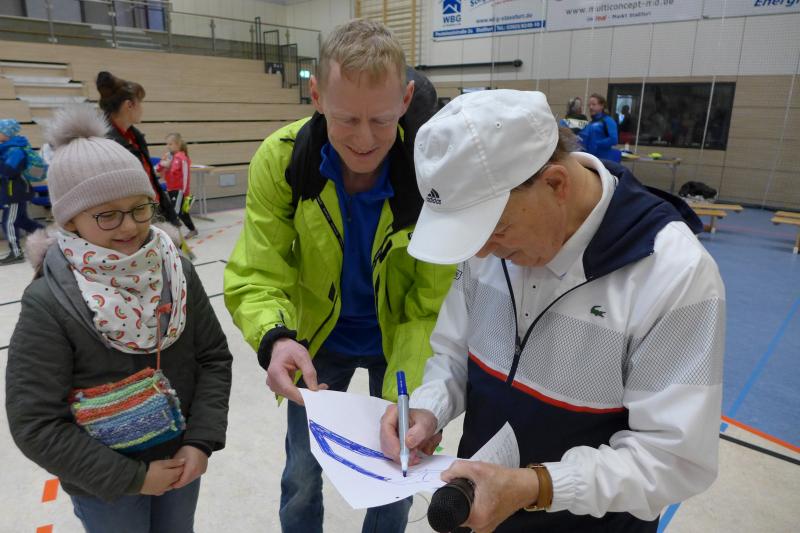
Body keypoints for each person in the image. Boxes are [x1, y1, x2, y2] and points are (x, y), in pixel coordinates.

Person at [379, 90, 725, 532]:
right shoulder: (494, 246)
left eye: (494, 229)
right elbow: (453, 352)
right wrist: (429, 408)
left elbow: (674, 459)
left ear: (556, 184)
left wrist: (539, 486)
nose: (481, 252)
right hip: (477, 512)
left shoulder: (674, 274)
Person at [223, 19, 454, 533]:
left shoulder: (431, 177)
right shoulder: (282, 161)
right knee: (302, 474)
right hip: (316, 342)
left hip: (400, 339)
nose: (365, 139)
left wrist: (413, 396)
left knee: (396, 468)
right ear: (317, 97)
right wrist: (275, 337)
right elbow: (259, 270)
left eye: (381, 119)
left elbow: (429, 303)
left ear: (406, 99)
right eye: (347, 118)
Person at [5, 105, 233, 533]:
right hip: (105, 487)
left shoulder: (176, 271)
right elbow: (35, 422)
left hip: (180, 461)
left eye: (140, 208)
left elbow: (213, 358)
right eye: (107, 214)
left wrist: (201, 441)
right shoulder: (49, 301)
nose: (129, 226)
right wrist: (133, 478)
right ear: (70, 219)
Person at [96, 71, 181, 229]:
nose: (142, 108)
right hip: (134, 221)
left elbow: (151, 181)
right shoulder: (105, 143)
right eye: (140, 103)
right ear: (129, 105)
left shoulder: (135, 137)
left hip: (153, 210)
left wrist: (170, 216)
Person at [0, 118, 44, 265]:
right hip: (13, 191)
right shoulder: (6, 148)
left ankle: (16, 253)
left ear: (6, 133)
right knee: (22, 221)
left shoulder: (16, 150)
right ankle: (49, 237)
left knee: (9, 222)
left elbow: (10, 171)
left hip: (15, 192)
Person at [157, 133, 197, 239]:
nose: (168, 146)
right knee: (182, 212)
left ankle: (174, 235)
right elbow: (159, 169)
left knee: (175, 212)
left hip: (179, 190)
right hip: (171, 188)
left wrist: (185, 191)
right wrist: (163, 163)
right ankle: (192, 230)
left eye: (170, 144)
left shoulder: (182, 158)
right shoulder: (170, 156)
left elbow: (186, 176)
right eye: (167, 144)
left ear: (178, 144)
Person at [579, 93, 621, 162]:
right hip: (591, 159)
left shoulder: (608, 120)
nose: (591, 107)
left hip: (604, 160)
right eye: (589, 105)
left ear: (602, 106)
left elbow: (614, 139)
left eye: (594, 104)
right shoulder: (590, 123)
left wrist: (595, 143)